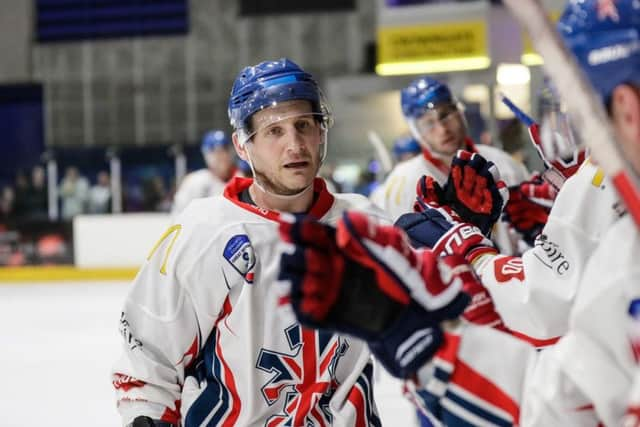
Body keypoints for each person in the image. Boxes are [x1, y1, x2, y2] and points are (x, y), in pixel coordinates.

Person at [278, 1, 640, 425]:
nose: (443, 127)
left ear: (626, 108)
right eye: (430, 121)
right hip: (498, 324)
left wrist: (468, 253)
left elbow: (550, 326)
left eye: (585, 115)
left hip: (502, 317)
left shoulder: (612, 239)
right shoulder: (405, 181)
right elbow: (569, 395)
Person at [112, 58, 393, 426]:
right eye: (274, 131)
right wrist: (146, 414)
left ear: (320, 132)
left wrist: (467, 241)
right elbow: (150, 356)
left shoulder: (365, 226)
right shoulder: (206, 231)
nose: (295, 144)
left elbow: (443, 319)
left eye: (303, 125)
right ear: (243, 146)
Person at [374, 77, 529, 223]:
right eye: (428, 123)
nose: (442, 129)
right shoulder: (402, 183)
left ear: (460, 112)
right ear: (417, 132)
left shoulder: (504, 164)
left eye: (446, 115)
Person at [171, 130, 236, 215]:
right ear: (206, 154)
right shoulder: (195, 181)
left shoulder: (241, 178)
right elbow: (178, 216)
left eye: (225, 150)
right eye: (215, 151)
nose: (222, 156)